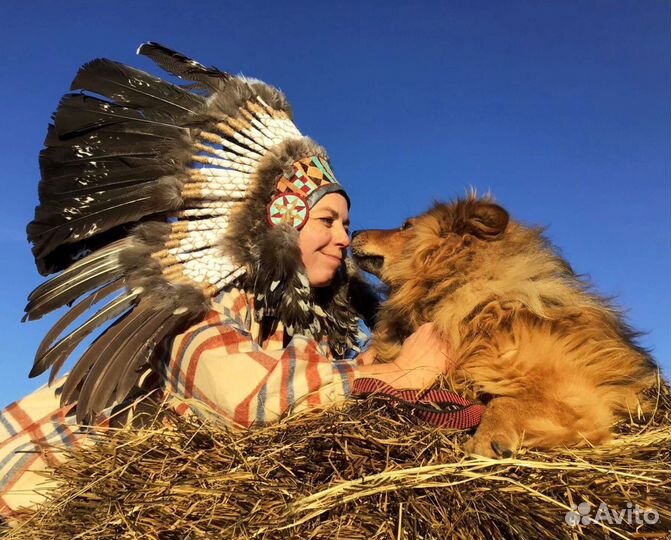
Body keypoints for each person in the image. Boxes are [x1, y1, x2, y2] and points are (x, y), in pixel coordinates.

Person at [0, 43, 452, 522]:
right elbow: (246, 399)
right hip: (32, 496)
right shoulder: (201, 298)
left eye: (346, 223)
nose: (345, 237)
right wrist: (397, 374)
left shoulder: (294, 331)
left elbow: (310, 391)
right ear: (282, 221)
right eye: (328, 220)